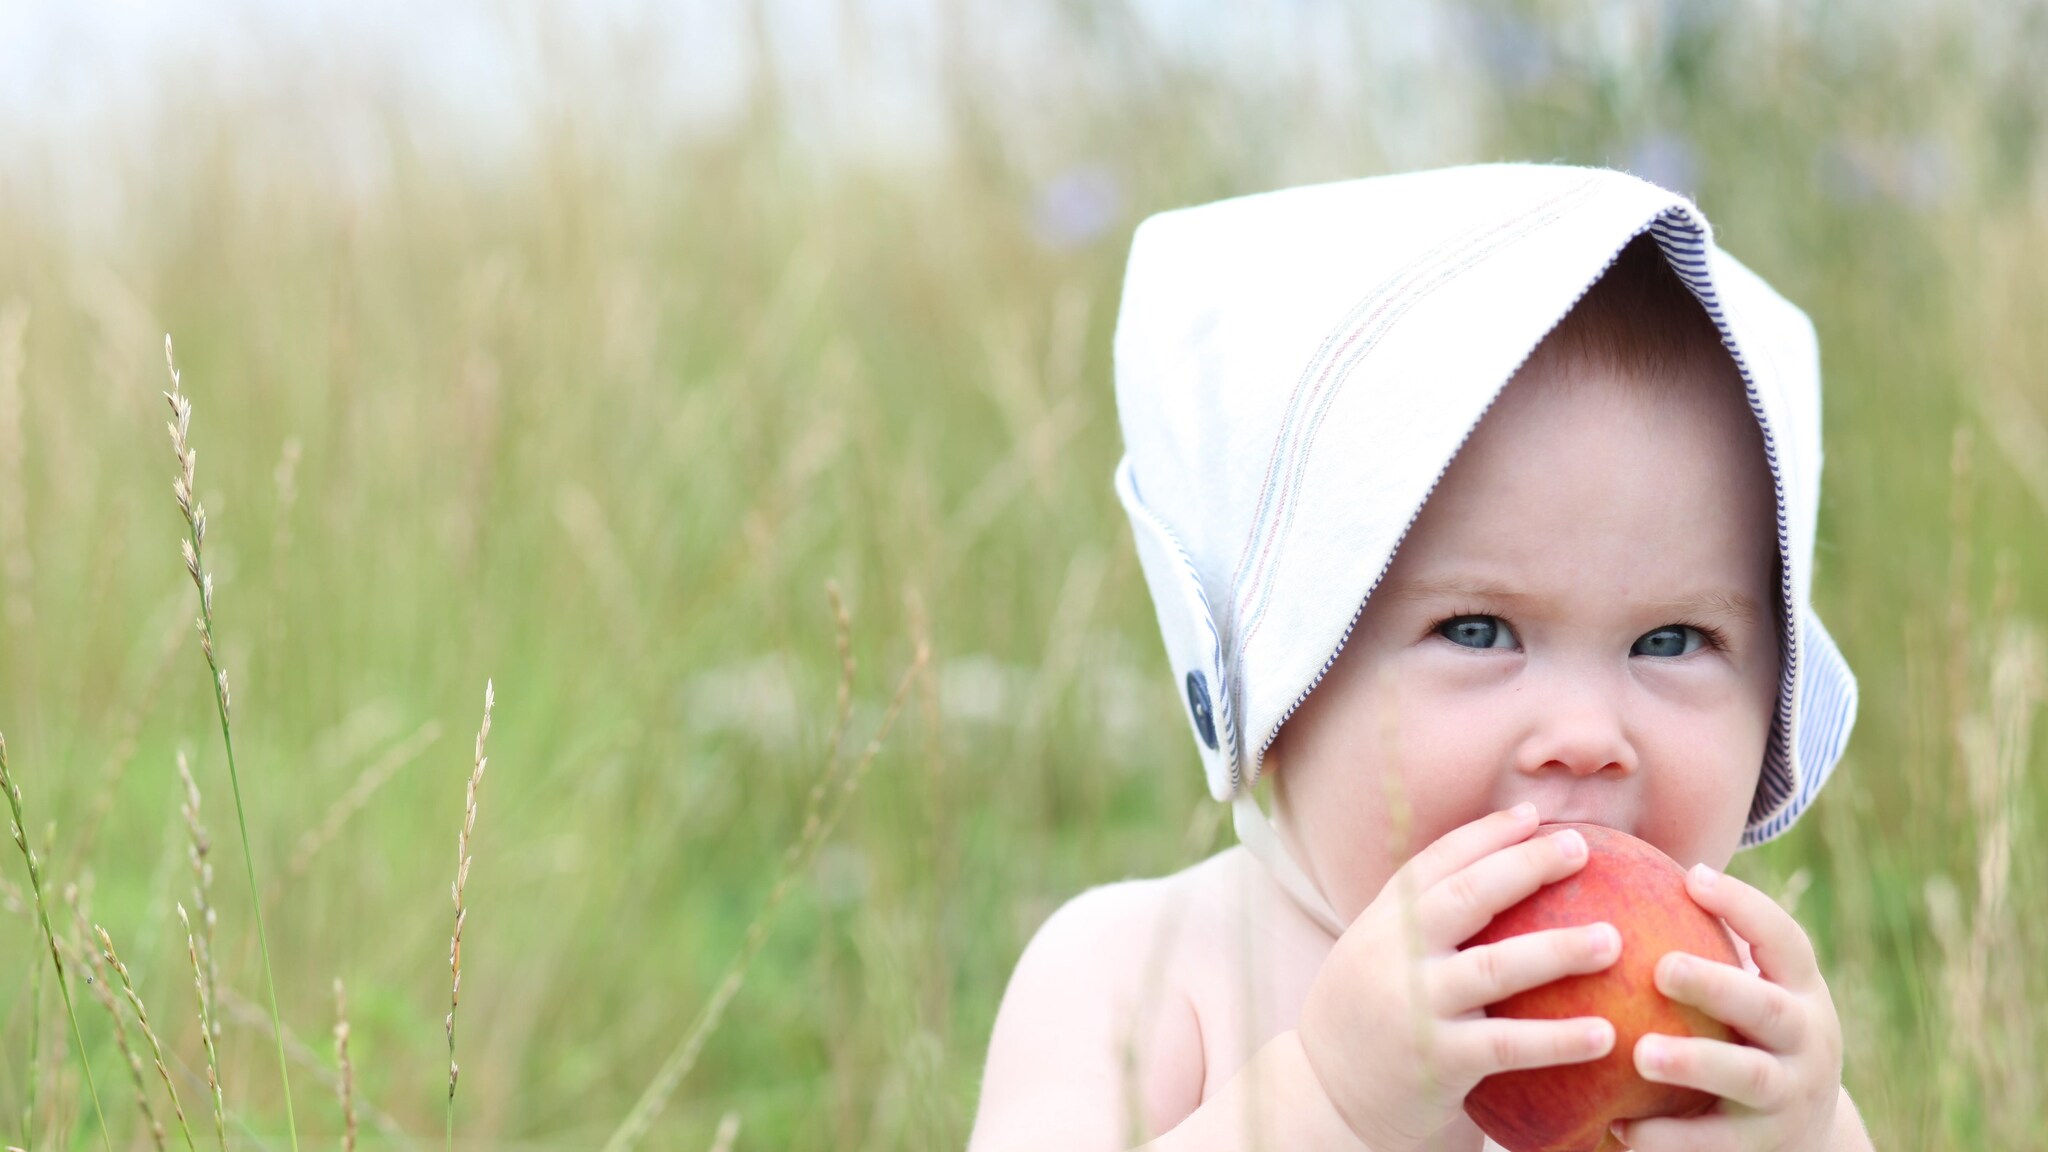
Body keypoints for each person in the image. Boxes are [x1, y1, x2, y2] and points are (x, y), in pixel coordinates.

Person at [967, 164, 1876, 1151]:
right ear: (1280, 680)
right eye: (1477, 631)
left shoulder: (1717, 1046)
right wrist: (1324, 1103)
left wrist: (1805, 1136)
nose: (1583, 737)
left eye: (1670, 641)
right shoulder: (1142, 976)